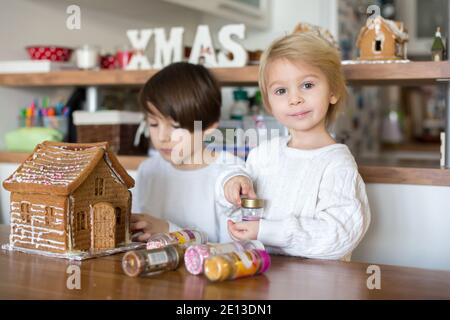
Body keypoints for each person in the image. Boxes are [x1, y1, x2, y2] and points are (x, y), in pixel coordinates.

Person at [216, 32, 371, 260]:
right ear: (269, 103)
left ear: (333, 91)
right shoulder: (262, 154)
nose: (294, 98)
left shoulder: (337, 164)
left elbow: (339, 236)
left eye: (307, 85)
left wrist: (265, 231)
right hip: (263, 281)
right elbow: (231, 207)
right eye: (281, 91)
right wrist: (231, 183)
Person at [131, 62, 242, 243]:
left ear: (208, 127)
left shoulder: (231, 173)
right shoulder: (148, 170)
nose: (162, 136)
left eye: (175, 126)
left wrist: (169, 231)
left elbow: (235, 251)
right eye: (153, 123)